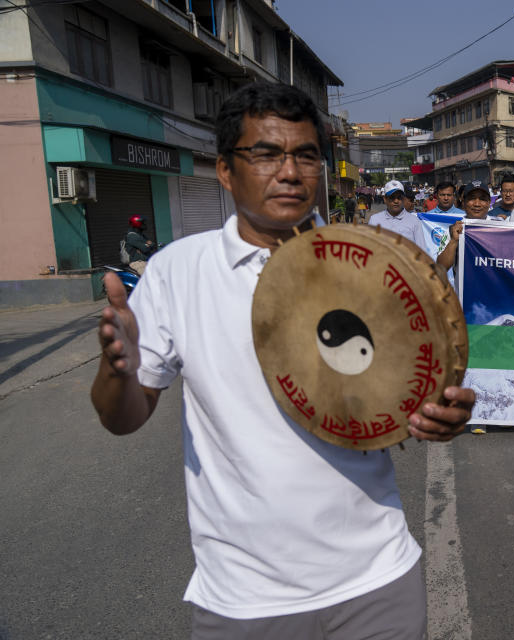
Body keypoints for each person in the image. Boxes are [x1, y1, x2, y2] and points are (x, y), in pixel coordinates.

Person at [91, 84, 475, 639]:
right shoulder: (178, 271)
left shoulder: (367, 264)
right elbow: (122, 417)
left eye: (306, 155)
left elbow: (402, 393)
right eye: (267, 154)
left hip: (378, 581)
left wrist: (442, 416)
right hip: (244, 601)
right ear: (225, 170)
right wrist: (118, 368)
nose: (290, 172)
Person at [436, 180, 492, 271]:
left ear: (489, 202)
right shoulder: (453, 230)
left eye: (482, 199)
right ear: (463, 202)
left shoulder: (501, 229)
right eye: (472, 198)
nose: (477, 204)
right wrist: (454, 241)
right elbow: (441, 267)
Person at [367, 180, 431, 253]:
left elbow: (421, 250)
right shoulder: (374, 220)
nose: (396, 201)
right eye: (392, 197)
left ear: (403, 199)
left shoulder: (414, 221)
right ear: (385, 199)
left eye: (399, 197)